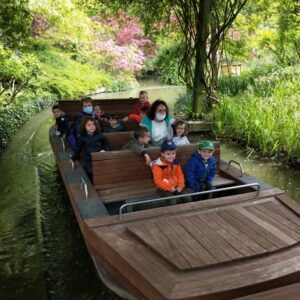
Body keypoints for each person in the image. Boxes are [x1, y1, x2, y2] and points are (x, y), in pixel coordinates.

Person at [71, 117, 110, 181]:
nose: (92, 127)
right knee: (90, 173)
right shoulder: (82, 138)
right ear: (84, 127)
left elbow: (106, 144)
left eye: (93, 125)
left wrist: (105, 151)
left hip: (99, 157)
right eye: (89, 125)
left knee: (100, 173)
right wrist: (73, 158)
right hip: (88, 160)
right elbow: (78, 149)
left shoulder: (100, 135)